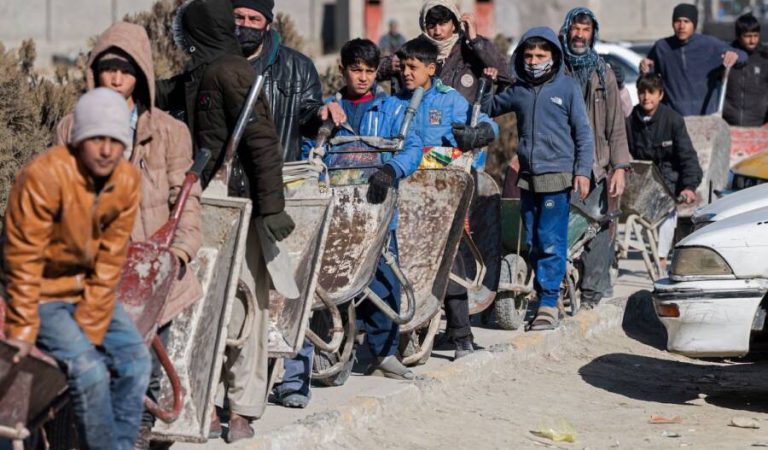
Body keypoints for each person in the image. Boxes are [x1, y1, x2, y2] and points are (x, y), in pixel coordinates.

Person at [52, 22, 203, 449]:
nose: (116, 78)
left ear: (142, 75)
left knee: (146, 361)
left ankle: (137, 433)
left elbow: (186, 199)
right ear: (94, 72)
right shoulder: (70, 129)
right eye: (108, 68)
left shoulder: (169, 133)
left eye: (126, 69)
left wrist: (179, 253)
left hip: (151, 272)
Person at [164, 0, 294, 442]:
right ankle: (205, 398)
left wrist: (272, 208)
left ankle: (242, 407)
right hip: (207, 201)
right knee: (207, 303)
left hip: (242, 204)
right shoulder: (203, 71)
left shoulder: (229, 71)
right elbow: (166, 91)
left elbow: (263, 144)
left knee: (246, 307)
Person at [275, 38, 422, 408]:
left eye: (370, 71)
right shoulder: (331, 109)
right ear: (342, 70)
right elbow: (311, 151)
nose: (362, 77)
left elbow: (412, 147)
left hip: (375, 211)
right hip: (334, 212)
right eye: (356, 70)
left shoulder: (390, 108)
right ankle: (321, 348)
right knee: (323, 284)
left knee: (385, 281)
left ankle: (384, 351)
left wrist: (391, 168)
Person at [2, 88, 149, 450]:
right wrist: (21, 326)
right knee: (90, 372)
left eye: (115, 141)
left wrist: (92, 325)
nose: (105, 150)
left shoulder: (126, 182)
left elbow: (110, 259)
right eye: (96, 139)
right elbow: (23, 260)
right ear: (79, 139)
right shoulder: (41, 179)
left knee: (136, 361)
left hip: (86, 292)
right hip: (43, 295)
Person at [483, 27, 594, 331]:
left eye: (540, 55)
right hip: (528, 178)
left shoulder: (567, 89)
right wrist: (487, 84)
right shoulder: (519, 90)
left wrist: (583, 172)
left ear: (554, 57)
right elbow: (488, 108)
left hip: (557, 176)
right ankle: (544, 292)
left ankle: (547, 303)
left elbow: (584, 134)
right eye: (529, 55)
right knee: (532, 240)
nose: (534, 61)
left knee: (550, 241)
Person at [559, 7, 631, 309]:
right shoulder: (557, 70)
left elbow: (616, 125)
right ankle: (558, 289)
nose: (579, 35)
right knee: (562, 230)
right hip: (561, 162)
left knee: (598, 229)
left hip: (597, 166)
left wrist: (620, 167)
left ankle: (591, 293)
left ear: (593, 34)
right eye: (575, 29)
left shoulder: (604, 73)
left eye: (585, 30)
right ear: (567, 31)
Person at [232, 0, 345, 162]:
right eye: (239, 17)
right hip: (221, 181)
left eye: (254, 19)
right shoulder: (209, 63)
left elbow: (308, 119)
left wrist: (322, 113)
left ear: (268, 24)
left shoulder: (298, 67)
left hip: (279, 176)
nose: (246, 25)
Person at [626, 74, 702, 269]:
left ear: (660, 94)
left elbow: (688, 157)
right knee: (643, 222)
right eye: (642, 92)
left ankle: (660, 259)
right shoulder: (631, 121)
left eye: (651, 92)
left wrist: (689, 186)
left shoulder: (673, 120)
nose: (646, 97)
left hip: (670, 182)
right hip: (642, 182)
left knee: (667, 215)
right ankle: (649, 251)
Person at [378, 0, 511, 102]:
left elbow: (505, 74)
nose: (437, 31)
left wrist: (475, 41)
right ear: (424, 25)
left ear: (454, 24)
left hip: (462, 129)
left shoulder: (470, 48)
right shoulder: (415, 49)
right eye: (431, 25)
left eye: (442, 24)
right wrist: (390, 64)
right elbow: (371, 70)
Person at [639, 3, 747, 116]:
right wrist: (644, 69)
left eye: (686, 21)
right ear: (672, 23)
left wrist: (736, 56)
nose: (681, 26)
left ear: (694, 24)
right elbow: (649, 79)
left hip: (705, 119)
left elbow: (743, 56)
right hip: (673, 119)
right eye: (677, 21)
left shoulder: (709, 44)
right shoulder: (662, 47)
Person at [723, 13, 768, 126]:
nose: (752, 40)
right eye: (747, 36)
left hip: (760, 124)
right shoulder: (728, 56)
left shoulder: (765, 58)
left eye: (755, 35)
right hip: (728, 123)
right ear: (738, 36)